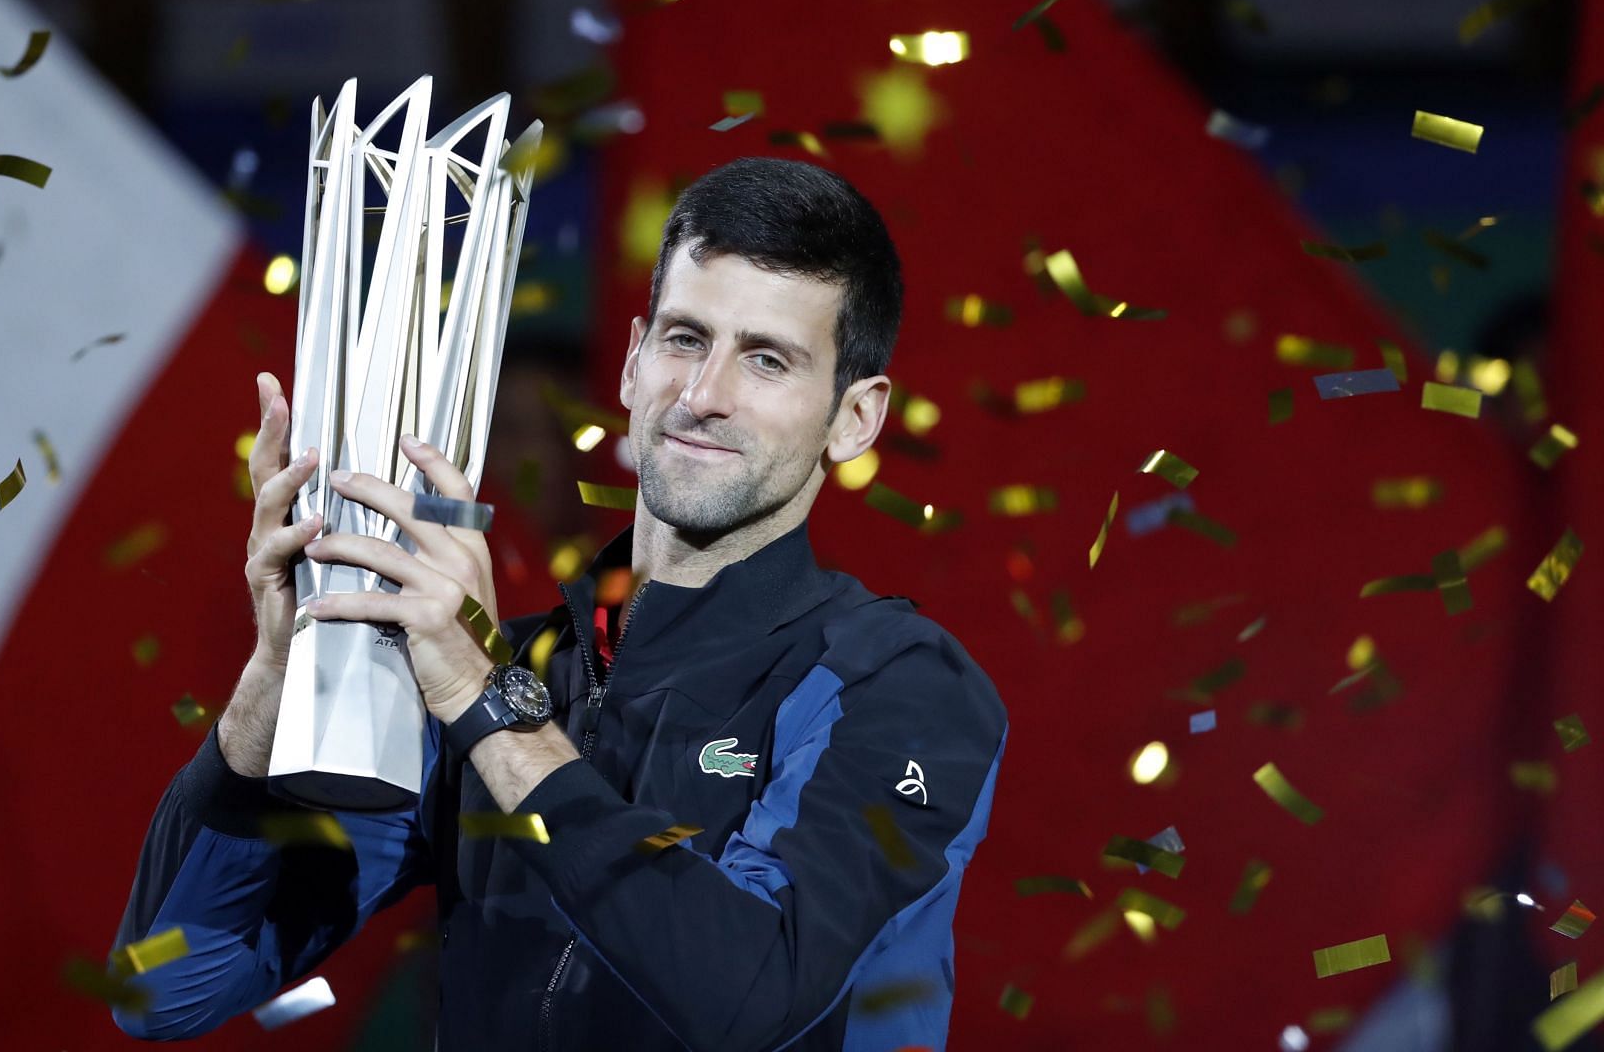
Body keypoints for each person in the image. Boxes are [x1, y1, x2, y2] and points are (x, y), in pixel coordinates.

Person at [110, 157, 1008, 1050]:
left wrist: (486, 697)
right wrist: (271, 679)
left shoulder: (903, 689)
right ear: (630, 362)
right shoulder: (506, 671)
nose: (702, 397)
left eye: (766, 361)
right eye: (685, 339)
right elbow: (162, 989)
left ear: (854, 418)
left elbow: (749, 993)